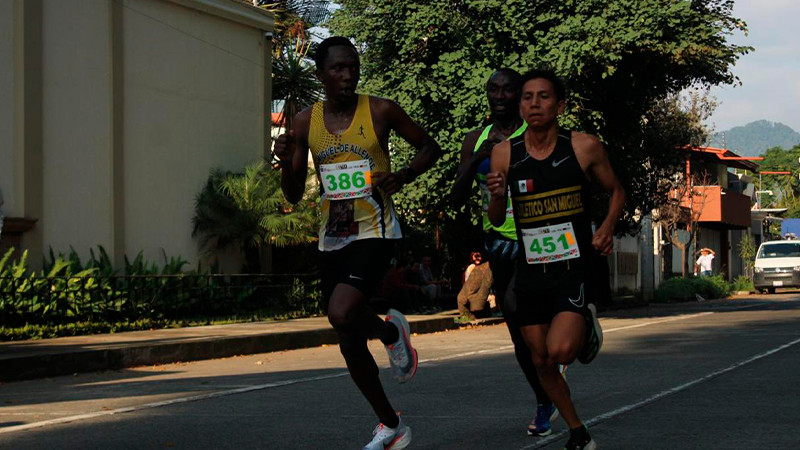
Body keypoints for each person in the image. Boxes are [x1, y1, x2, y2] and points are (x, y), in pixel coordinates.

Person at [272, 36, 442, 450]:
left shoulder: (380, 110)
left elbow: (429, 146)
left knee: (341, 310)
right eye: (337, 69)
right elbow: (294, 193)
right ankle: (390, 425)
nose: (347, 75)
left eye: (353, 66)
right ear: (321, 75)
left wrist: (401, 176)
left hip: (376, 229)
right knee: (348, 340)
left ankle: (389, 336)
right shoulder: (304, 123)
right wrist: (285, 158)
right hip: (334, 235)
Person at [487, 68, 625, 450]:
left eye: (543, 96)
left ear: (560, 105)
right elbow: (497, 219)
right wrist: (497, 195)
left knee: (561, 350)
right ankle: (578, 432)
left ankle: (584, 326)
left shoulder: (583, 147)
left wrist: (608, 227)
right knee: (542, 360)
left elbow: (617, 192)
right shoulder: (504, 153)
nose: (534, 103)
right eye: (527, 96)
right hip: (530, 270)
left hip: (572, 266)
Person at [451, 68, 563, 437]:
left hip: (540, 236)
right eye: (492, 89)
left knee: (532, 315)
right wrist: (476, 158)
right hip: (499, 239)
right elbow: (457, 196)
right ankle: (545, 397)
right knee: (518, 327)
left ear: (520, 96)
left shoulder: (536, 134)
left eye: (507, 90)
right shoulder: (476, 138)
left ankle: (561, 349)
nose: (499, 96)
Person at [457, 251, 493, 319]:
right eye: (475, 256)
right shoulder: (472, 267)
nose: (477, 258)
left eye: (479, 256)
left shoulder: (481, 268)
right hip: (471, 296)